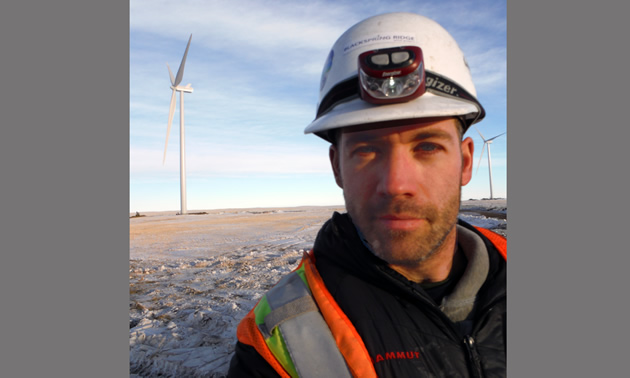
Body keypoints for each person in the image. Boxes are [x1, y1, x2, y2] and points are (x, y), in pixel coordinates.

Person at [227, 12, 506, 378]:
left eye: (426, 146)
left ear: (466, 162)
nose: (395, 183)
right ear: (337, 167)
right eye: (366, 151)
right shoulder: (276, 339)